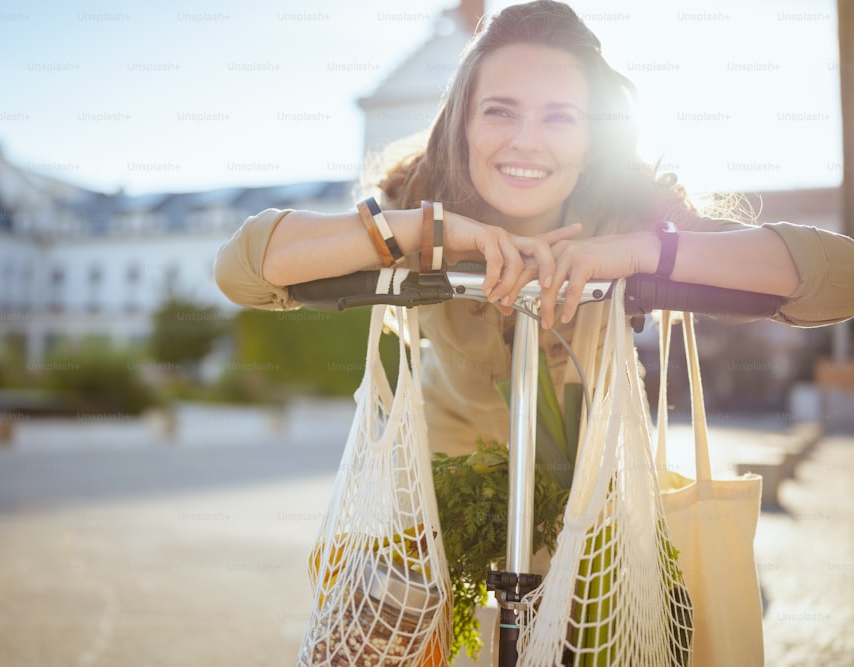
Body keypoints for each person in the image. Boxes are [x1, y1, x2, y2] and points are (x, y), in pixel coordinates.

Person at [215, 0, 854, 457]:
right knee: (366, 638)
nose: (526, 141)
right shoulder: (414, 199)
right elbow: (242, 271)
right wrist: (423, 229)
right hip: (430, 487)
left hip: (587, 502)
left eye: (559, 117)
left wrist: (639, 252)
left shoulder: (631, 208)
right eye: (500, 111)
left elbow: (839, 281)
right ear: (463, 120)